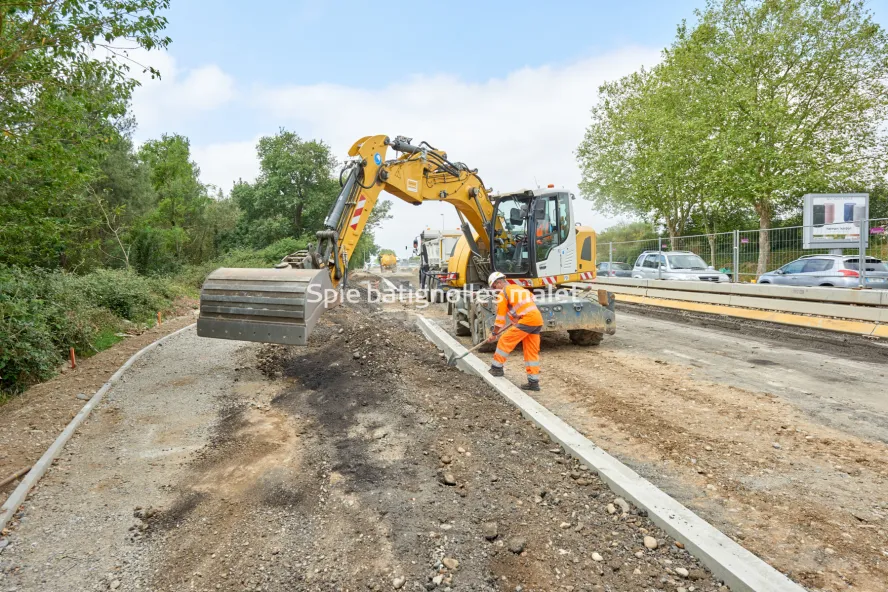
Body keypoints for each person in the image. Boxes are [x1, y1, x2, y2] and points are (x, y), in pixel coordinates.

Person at [486, 271, 544, 391]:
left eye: (494, 286)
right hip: (537, 320)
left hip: (527, 320)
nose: (494, 289)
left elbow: (500, 318)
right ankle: (533, 382)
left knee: (504, 340)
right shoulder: (519, 288)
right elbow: (531, 299)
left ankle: (496, 368)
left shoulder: (503, 294)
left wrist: (494, 333)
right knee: (531, 351)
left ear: (499, 282)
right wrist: (518, 316)